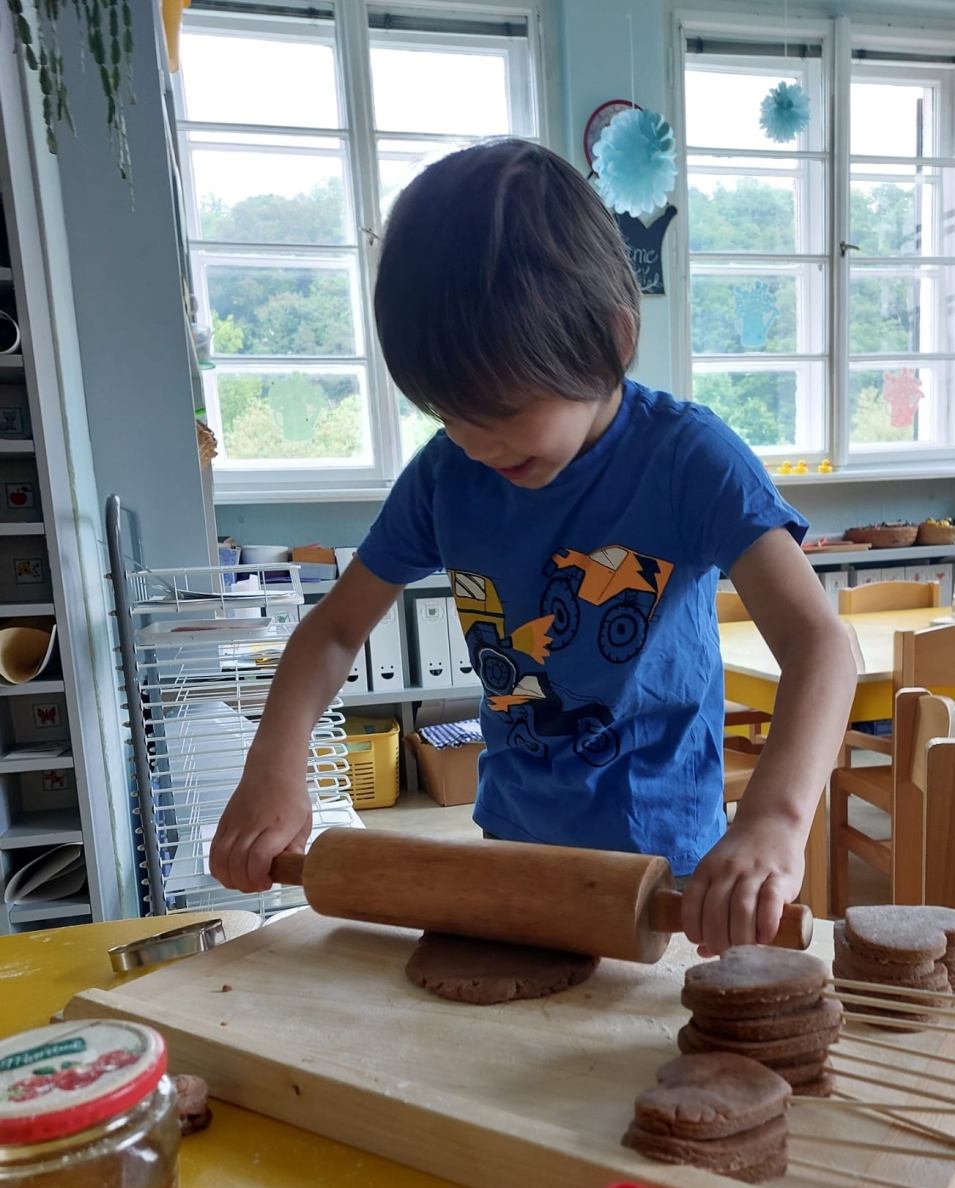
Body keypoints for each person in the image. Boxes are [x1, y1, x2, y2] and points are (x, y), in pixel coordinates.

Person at [210, 139, 857, 956]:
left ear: (612, 340)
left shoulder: (688, 461)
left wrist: (772, 821)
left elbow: (819, 644)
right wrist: (273, 767)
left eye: (504, 410)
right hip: (513, 851)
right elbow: (334, 630)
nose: (475, 443)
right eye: (448, 413)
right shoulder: (445, 477)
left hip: (671, 866)